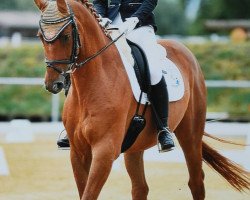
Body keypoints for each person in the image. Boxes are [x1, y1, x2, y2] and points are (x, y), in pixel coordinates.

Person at [58, 0, 175, 152]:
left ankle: (163, 129)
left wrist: (135, 19)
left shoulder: (138, 22)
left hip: (139, 27)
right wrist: (100, 16)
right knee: (80, 63)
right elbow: (99, 2)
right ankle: (73, 125)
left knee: (153, 70)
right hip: (109, 27)